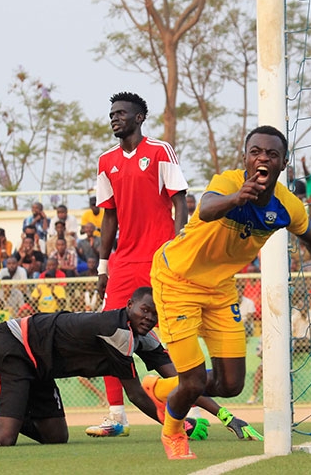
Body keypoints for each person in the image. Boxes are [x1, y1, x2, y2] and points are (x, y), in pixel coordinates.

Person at [147, 125, 311, 460]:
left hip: (219, 288)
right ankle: (174, 433)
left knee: (231, 384)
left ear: (283, 163)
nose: (262, 158)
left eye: (271, 154)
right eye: (256, 152)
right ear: (246, 158)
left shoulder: (288, 206)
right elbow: (205, 209)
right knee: (190, 381)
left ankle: (159, 389)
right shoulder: (228, 182)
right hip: (176, 280)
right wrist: (237, 198)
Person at [0, 288, 171, 446]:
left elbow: (180, 377)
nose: (149, 317)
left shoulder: (146, 336)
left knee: (55, 436)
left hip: (41, 364)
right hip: (14, 345)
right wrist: (176, 425)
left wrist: (203, 400)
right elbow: (136, 394)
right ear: (129, 306)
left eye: (154, 314)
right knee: (2, 436)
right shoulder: (118, 332)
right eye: (144, 310)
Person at [86, 91, 190, 438]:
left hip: (161, 256)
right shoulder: (106, 161)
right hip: (124, 260)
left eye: (121, 113)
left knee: (172, 332)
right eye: (112, 112)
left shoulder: (160, 151)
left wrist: (177, 250)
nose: (114, 117)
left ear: (139, 118)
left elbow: (180, 202)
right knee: (108, 331)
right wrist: (103, 267)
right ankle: (117, 416)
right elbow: (109, 218)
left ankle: (183, 403)